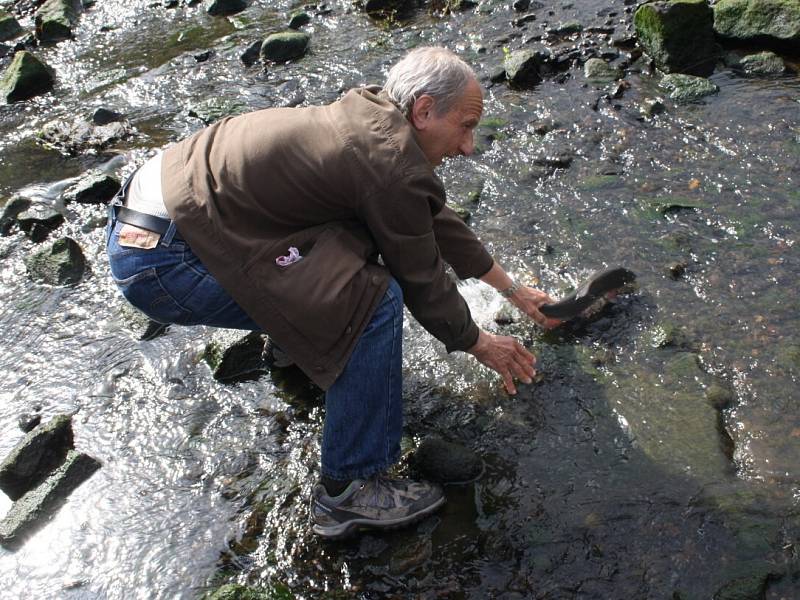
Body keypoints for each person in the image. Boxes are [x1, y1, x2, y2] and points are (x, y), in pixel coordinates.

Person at [105, 46, 558, 539]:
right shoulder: (388, 164)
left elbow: (428, 217)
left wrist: (512, 290)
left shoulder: (370, 116)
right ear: (424, 110)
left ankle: (292, 350)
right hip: (166, 263)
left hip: (162, 209)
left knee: (342, 251)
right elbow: (422, 279)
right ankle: (349, 491)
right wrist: (479, 343)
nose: (469, 146)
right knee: (371, 302)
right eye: (466, 125)